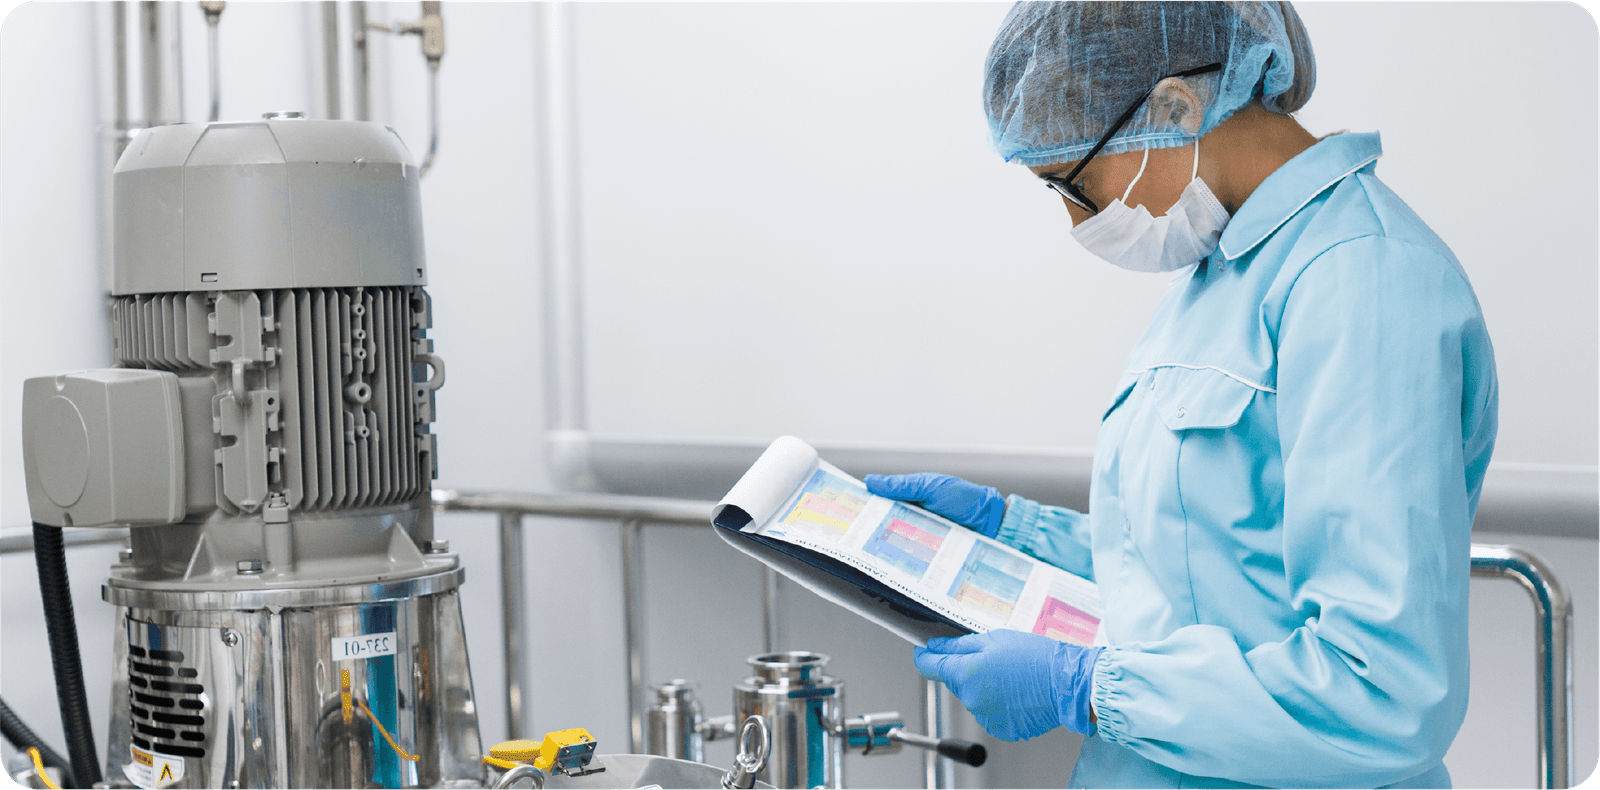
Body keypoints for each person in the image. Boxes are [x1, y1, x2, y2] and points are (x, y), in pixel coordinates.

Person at [865, 2, 1499, 787]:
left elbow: (1383, 690)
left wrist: (1088, 690)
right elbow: (1200, 563)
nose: (1073, 221)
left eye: (1074, 182)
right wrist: (1010, 531)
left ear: (1176, 105)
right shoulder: (1223, 270)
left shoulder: (1362, 281)